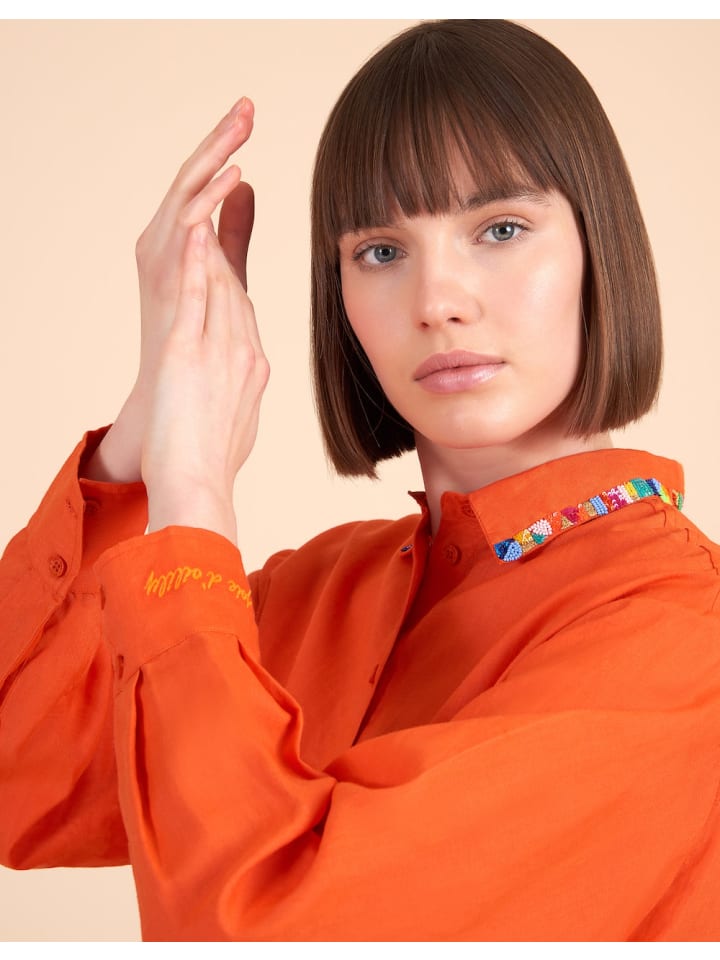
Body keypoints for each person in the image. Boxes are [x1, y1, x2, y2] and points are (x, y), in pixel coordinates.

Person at [1, 18, 719, 941]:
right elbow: (24, 785)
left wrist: (195, 498)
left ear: (599, 247)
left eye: (501, 229)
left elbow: (265, 930)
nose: (438, 301)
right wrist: (148, 423)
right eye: (381, 251)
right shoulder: (317, 595)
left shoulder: (681, 645)